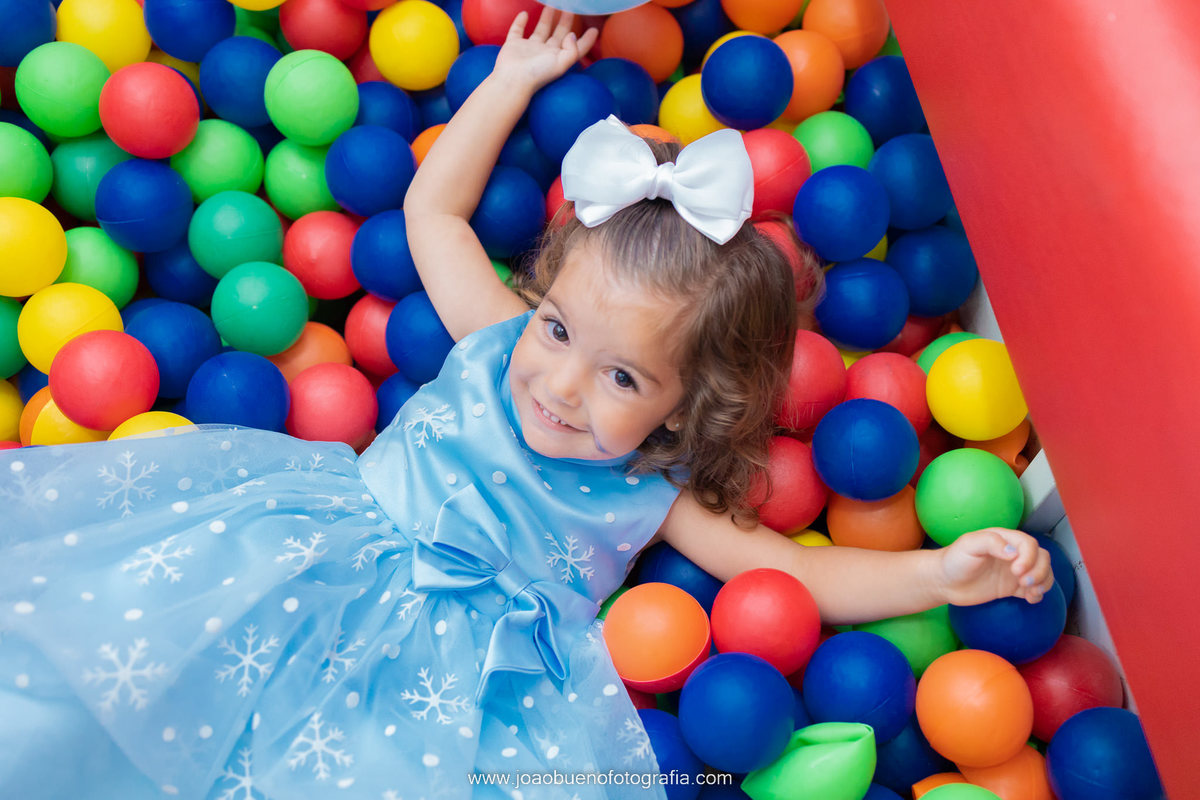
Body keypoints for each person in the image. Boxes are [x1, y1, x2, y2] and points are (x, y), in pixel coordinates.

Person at [0, 9, 1053, 800]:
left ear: (689, 410)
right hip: (308, 567)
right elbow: (432, 209)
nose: (558, 384)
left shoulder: (651, 485)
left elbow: (794, 571)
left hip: (452, 685)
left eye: (624, 378)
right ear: (538, 300)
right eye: (558, 329)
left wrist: (940, 568)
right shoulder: (493, 335)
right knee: (125, 687)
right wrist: (510, 79)